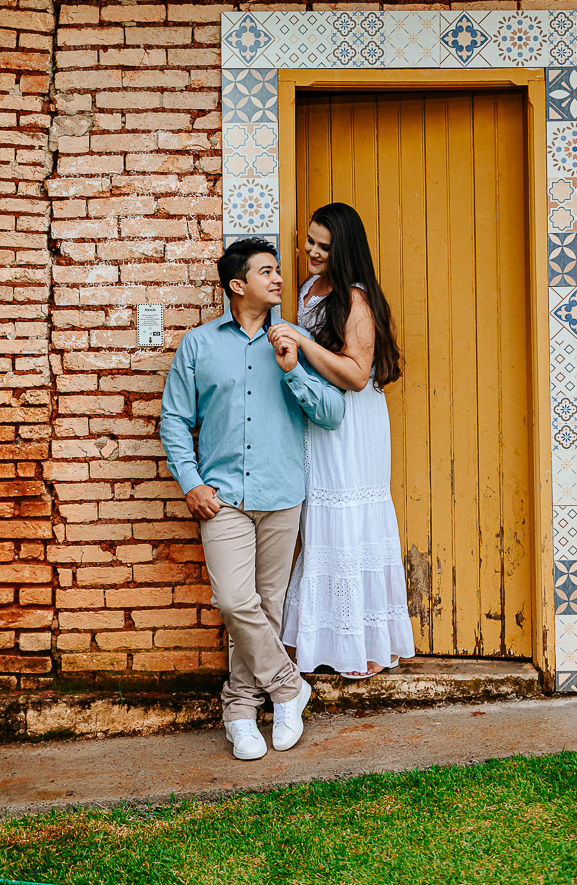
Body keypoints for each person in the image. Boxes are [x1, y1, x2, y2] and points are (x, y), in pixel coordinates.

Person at [160, 236, 346, 761]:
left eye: (277, 270)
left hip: (282, 495)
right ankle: (289, 689)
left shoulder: (295, 341)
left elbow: (332, 413)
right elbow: (174, 419)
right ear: (237, 285)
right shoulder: (198, 345)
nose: (279, 278)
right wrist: (191, 482)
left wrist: (292, 370)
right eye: (267, 271)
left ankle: (241, 712)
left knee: (266, 608)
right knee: (235, 602)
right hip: (222, 499)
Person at [273, 202, 415, 679]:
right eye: (309, 241)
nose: (312, 252)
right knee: (321, 523)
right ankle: (322, 642)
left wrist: (302, 341)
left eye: (324, 247)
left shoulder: (356, 299)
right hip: (320, 419)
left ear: (344, 250)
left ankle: (366, 647)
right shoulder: (308, 289)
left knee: (351, 522)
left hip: (354, 426)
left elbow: (356, 375)